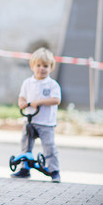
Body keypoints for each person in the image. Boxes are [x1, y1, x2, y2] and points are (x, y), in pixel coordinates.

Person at [11, 47, 62, 183]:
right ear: (32, 66)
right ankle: (24, 168)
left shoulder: (52, 84)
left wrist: (39, 102)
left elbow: (56, 100)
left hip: (46, 123)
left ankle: (54, 171)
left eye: (45, 66)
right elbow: (21, 98)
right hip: (30, 121)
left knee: (49, 147)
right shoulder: (28, 83)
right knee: (26, 145)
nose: (41, 69)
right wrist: (22, 103)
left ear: (51, 67)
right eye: (38, 65)